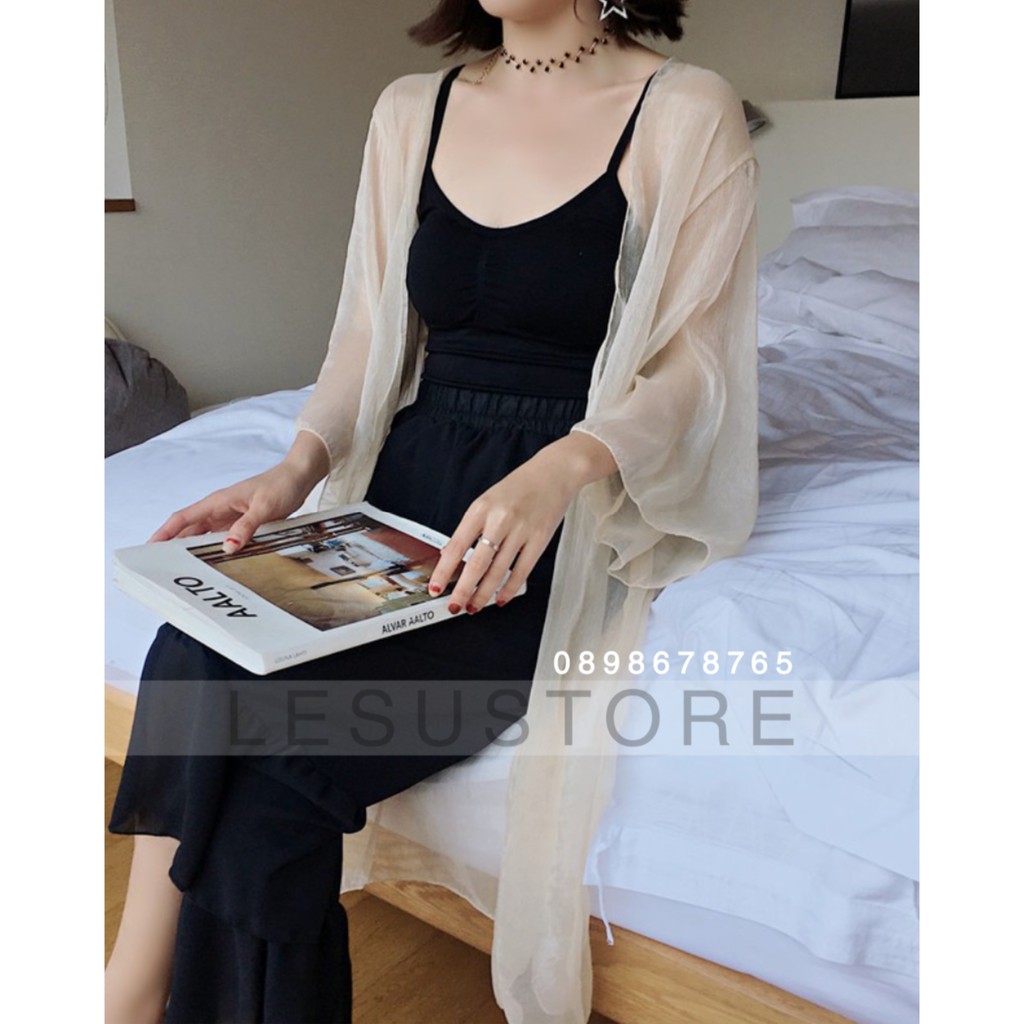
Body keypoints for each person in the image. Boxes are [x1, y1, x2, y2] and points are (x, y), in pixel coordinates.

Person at [106, 1, 761, 1022]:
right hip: (404, 487)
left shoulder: (683, 108)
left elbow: (694, 367)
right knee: (195, 647)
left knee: (276, 784)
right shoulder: (414, 108)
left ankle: (128, 1000)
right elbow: (368, 334)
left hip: (550, 512)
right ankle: (127, 993)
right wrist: (292, 473)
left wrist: (563, 467)